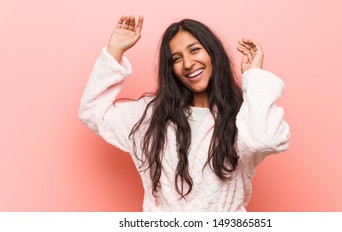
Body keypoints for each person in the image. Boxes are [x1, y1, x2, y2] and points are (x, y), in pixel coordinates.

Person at [78, 15, 290, 211]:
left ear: (212, 53)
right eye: (176, 59)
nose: (188, 64)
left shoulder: (243, 116)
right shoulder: (150, 115)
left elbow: (263, 140)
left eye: (195, 50)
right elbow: (92, 111)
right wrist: (114, 51)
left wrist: (253, 77)